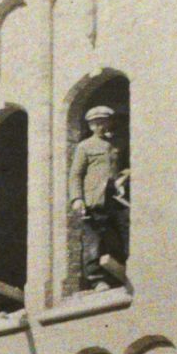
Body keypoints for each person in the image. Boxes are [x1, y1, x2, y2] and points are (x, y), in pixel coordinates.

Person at [68, 105, 129, 288]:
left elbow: (127, 166)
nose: (100, 126)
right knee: (94, 240)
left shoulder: (118, 144)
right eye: (95, 124)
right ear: (90, 126)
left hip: (116, 199)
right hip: (94, 198)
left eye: (103, 122)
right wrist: (77, 199)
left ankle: (119, 273)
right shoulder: (85, 147)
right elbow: (76, 174)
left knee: (118, 236)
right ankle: (97, 279)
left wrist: (123, 177)